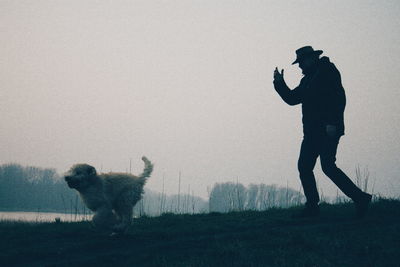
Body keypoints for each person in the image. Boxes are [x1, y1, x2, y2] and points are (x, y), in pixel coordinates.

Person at [273, 46, 372, 218]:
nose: (300, 66)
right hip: (312, 132)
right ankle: (313, 207)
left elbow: (339, 99)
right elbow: (292, 99)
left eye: (301, 62)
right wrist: (279, 83)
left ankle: (360, 198)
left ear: (311, 59)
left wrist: (332, 123)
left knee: (327, 166)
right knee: (304, 166)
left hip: (328, 130)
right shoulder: (308, 79)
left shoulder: (328, 71)